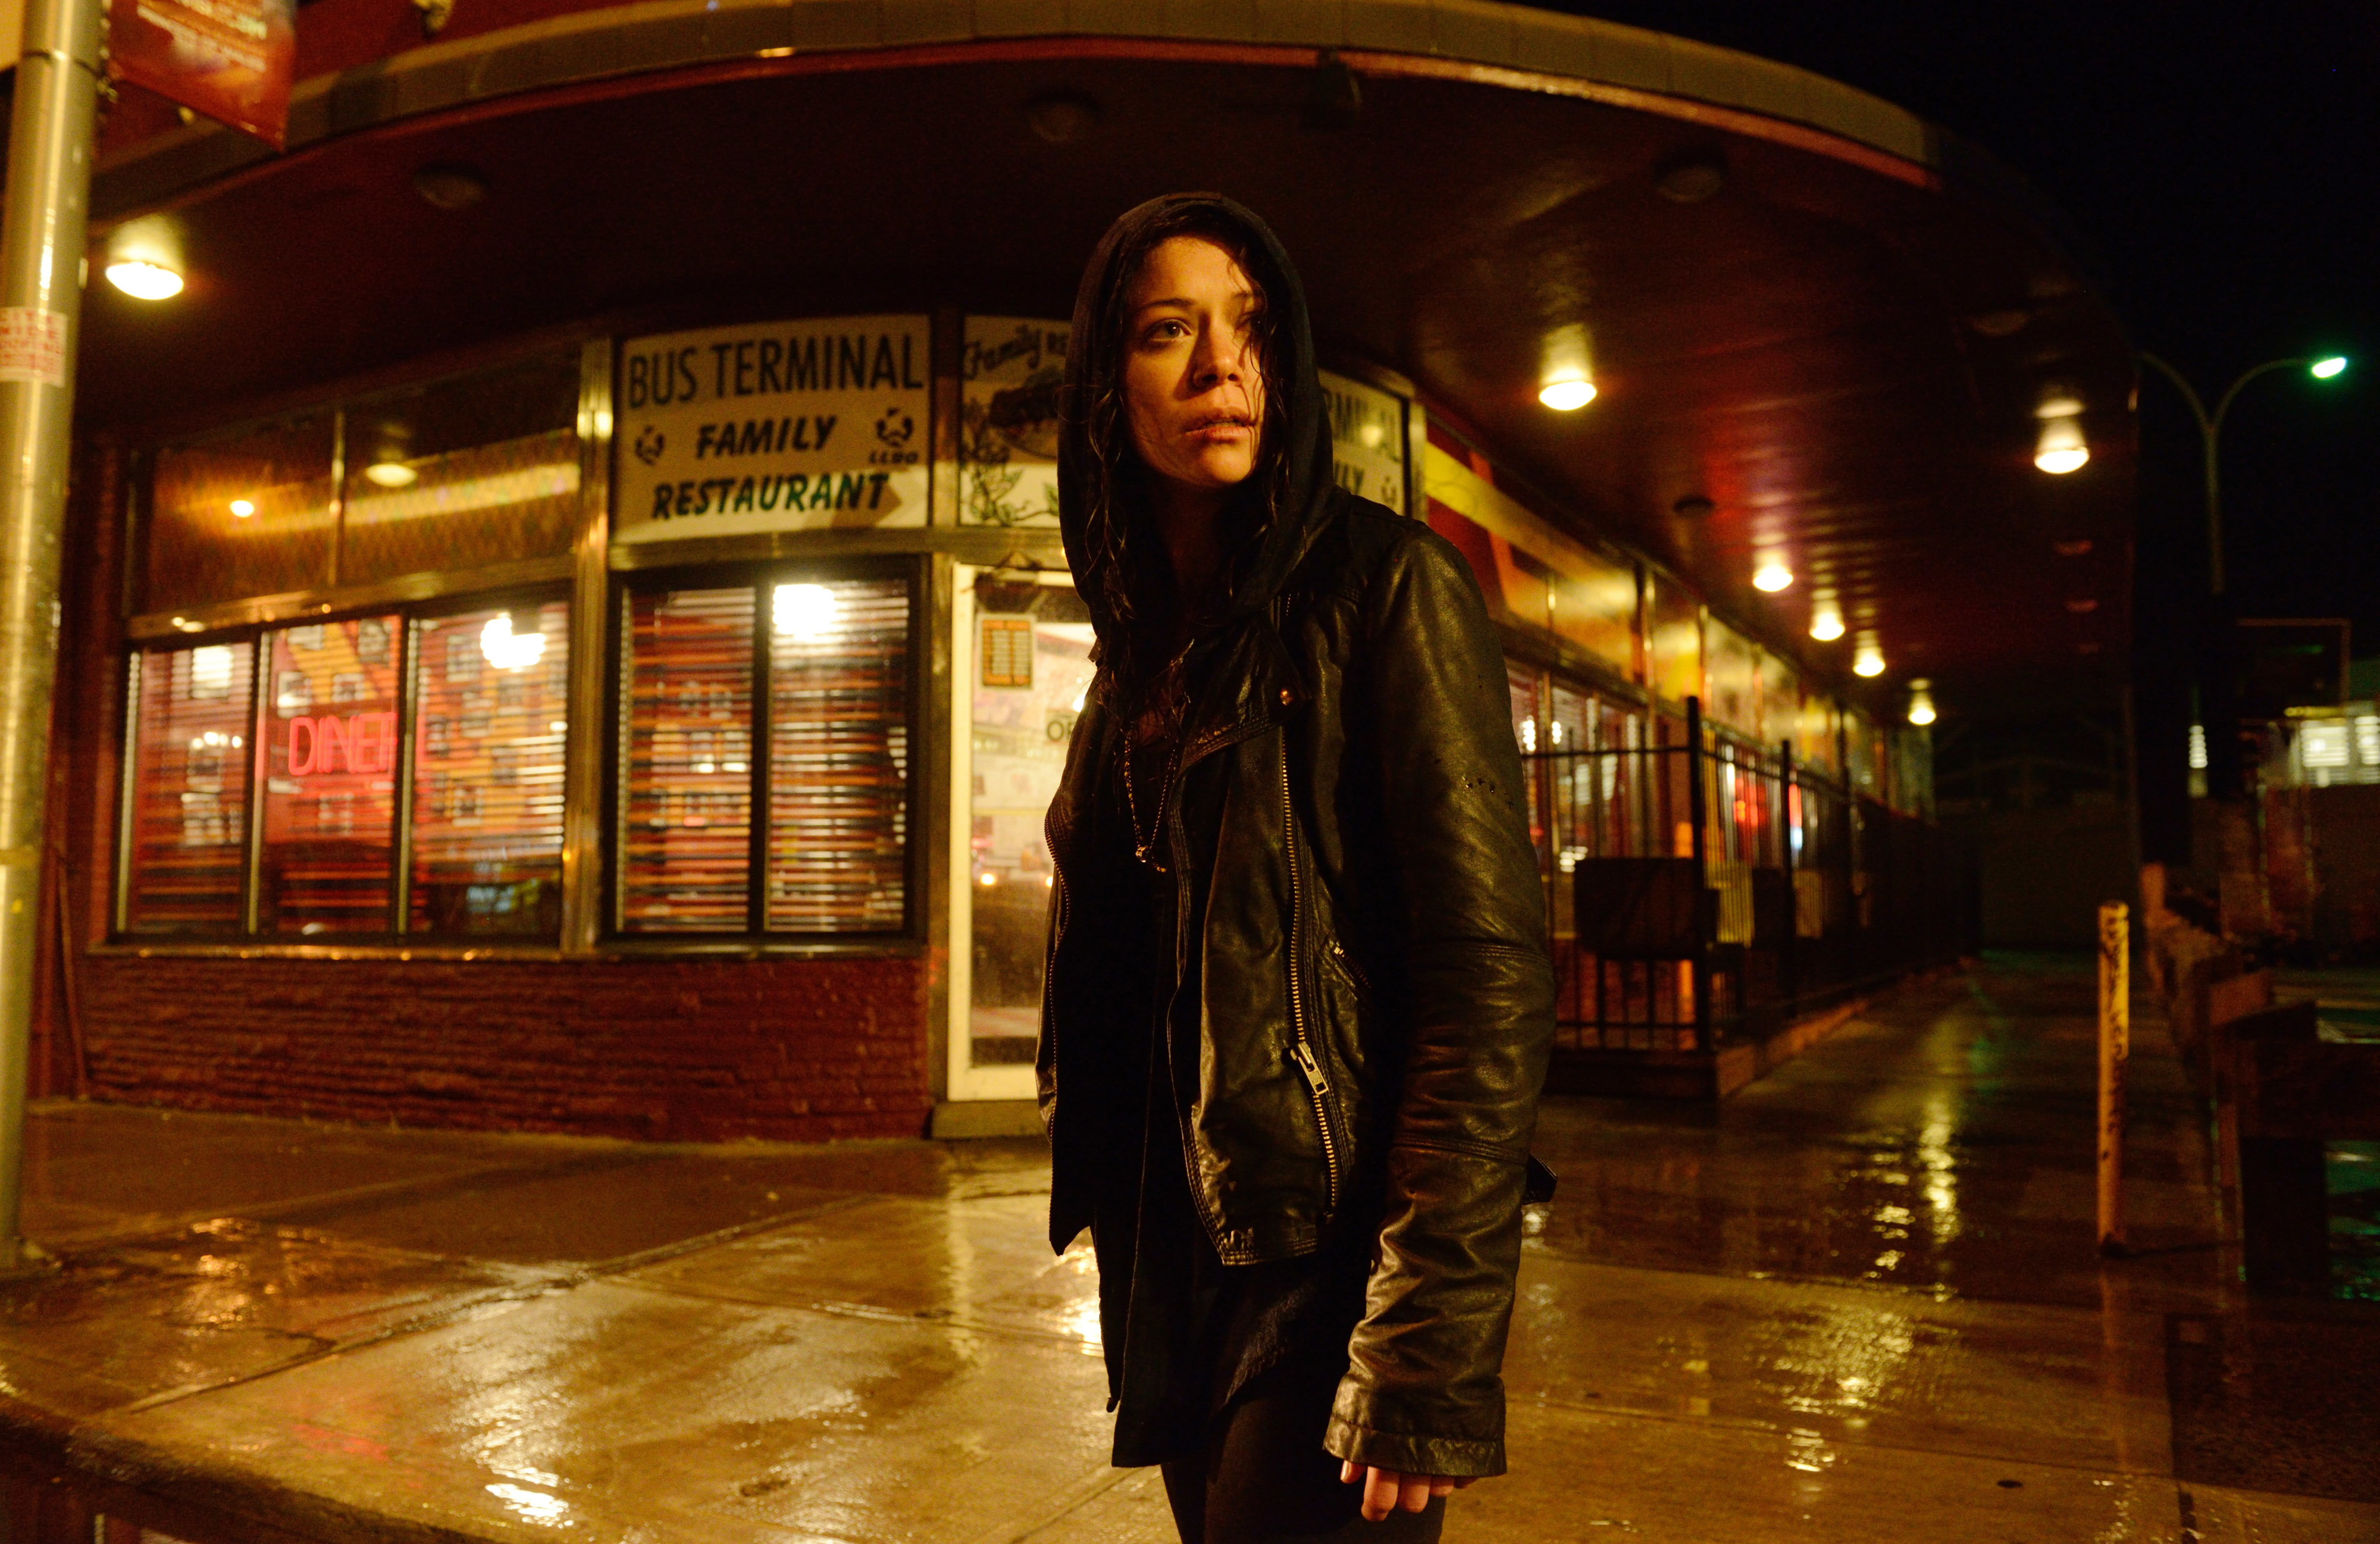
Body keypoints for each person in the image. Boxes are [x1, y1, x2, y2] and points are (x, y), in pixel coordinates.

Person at [1038, 193, 1555, 1543]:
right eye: (1168, 331)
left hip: (1330, 1261)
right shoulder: (1137, 664)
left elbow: (1482, 973)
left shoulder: (1387, 590)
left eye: (1252, 331)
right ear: (1109, 384)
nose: (1220, 367)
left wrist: (1425, 1344)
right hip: (1175, 1253)